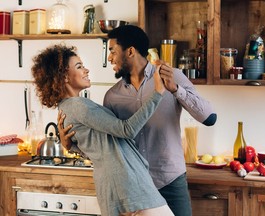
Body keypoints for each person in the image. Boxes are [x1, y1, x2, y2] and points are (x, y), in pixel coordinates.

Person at [59, 25, 217, 216]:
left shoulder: (171, 76)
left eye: (112, 51)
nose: (109, 58)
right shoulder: (112, 97)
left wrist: (176, 89)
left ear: (131, 51)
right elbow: (109, 149)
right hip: (133, 188)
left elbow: (209, 117)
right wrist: (72, 146)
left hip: (170, 181)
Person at [31, 44, 175, 216]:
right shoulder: (79, 106)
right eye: (79, 67)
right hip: (130, 186)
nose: (86, 70)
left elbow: (98, 147)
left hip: (115, 189)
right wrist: (158, 92)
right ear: (64, 77)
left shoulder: (68, 108)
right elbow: (127, 129)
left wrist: (71, 146)